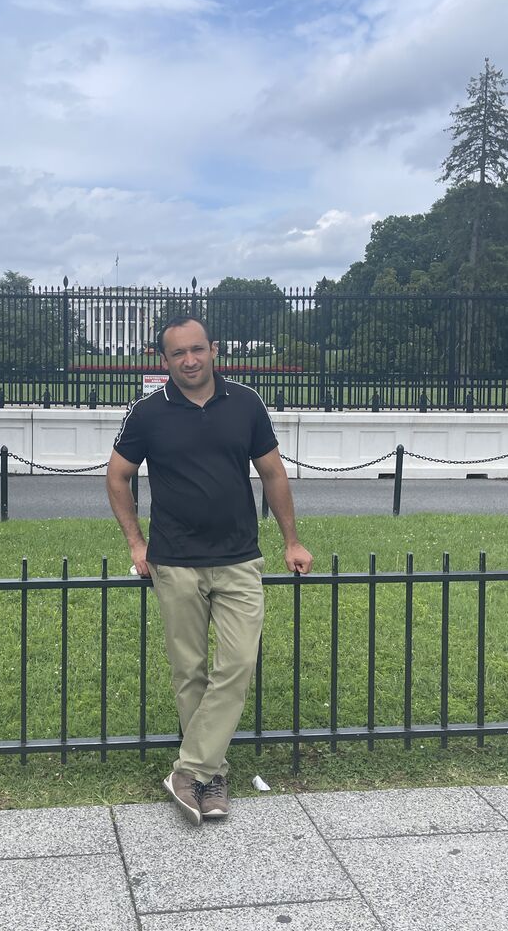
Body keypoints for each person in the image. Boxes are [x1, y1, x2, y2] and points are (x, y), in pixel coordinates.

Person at [106, 315, 313, 826]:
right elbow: (117, 476)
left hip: (239, 558)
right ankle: (211, 777)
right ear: (165, 360)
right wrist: (136, 543)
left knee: (237, 663)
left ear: (214, 350)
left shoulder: (245, 403)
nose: (190, 360)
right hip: (175, 561)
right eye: (178, 353)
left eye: (197, 349)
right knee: (190, 672)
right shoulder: (147, 413)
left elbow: (272, 473)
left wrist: (291, 540)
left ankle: (189, 770)